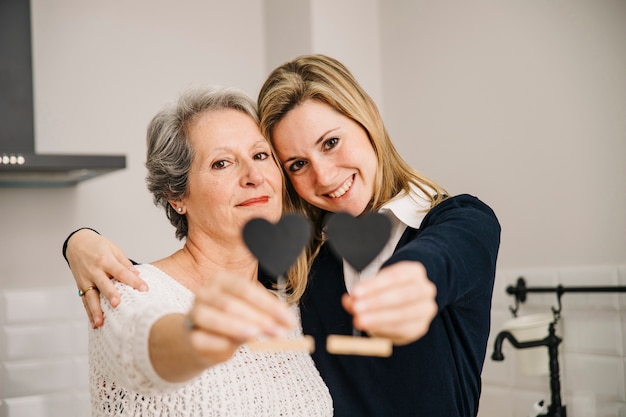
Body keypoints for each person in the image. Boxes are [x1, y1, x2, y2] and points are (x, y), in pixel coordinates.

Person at [64, 54, 500, 417]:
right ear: (176, 195)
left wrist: (411, 286)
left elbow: (438, 261)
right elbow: (154, 329)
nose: (324, 176)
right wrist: (79, 242)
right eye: (295, 163)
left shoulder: (460, 222)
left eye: (330, 142)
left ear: (367, 119)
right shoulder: (300, 273)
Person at [70, 85, 332, 416]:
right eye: (222, 163)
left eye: (261, 155)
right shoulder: (128, 292)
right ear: (176, 195)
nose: (253, 176)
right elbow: (147, 347)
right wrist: (199, 334)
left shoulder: (289, 306)